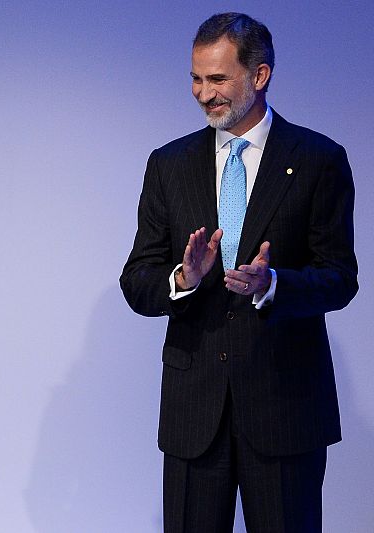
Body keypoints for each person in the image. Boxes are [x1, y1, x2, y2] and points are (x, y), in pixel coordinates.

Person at [120, 13, 357, 533]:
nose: (204, 94)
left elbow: (339, 277)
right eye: (196, 79)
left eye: (218, 79)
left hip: (285, 407)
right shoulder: (169, 164)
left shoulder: (318, 160)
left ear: (260, 75)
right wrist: (183, 278)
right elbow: (137, 279)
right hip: (193, 415)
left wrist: (272, 285)